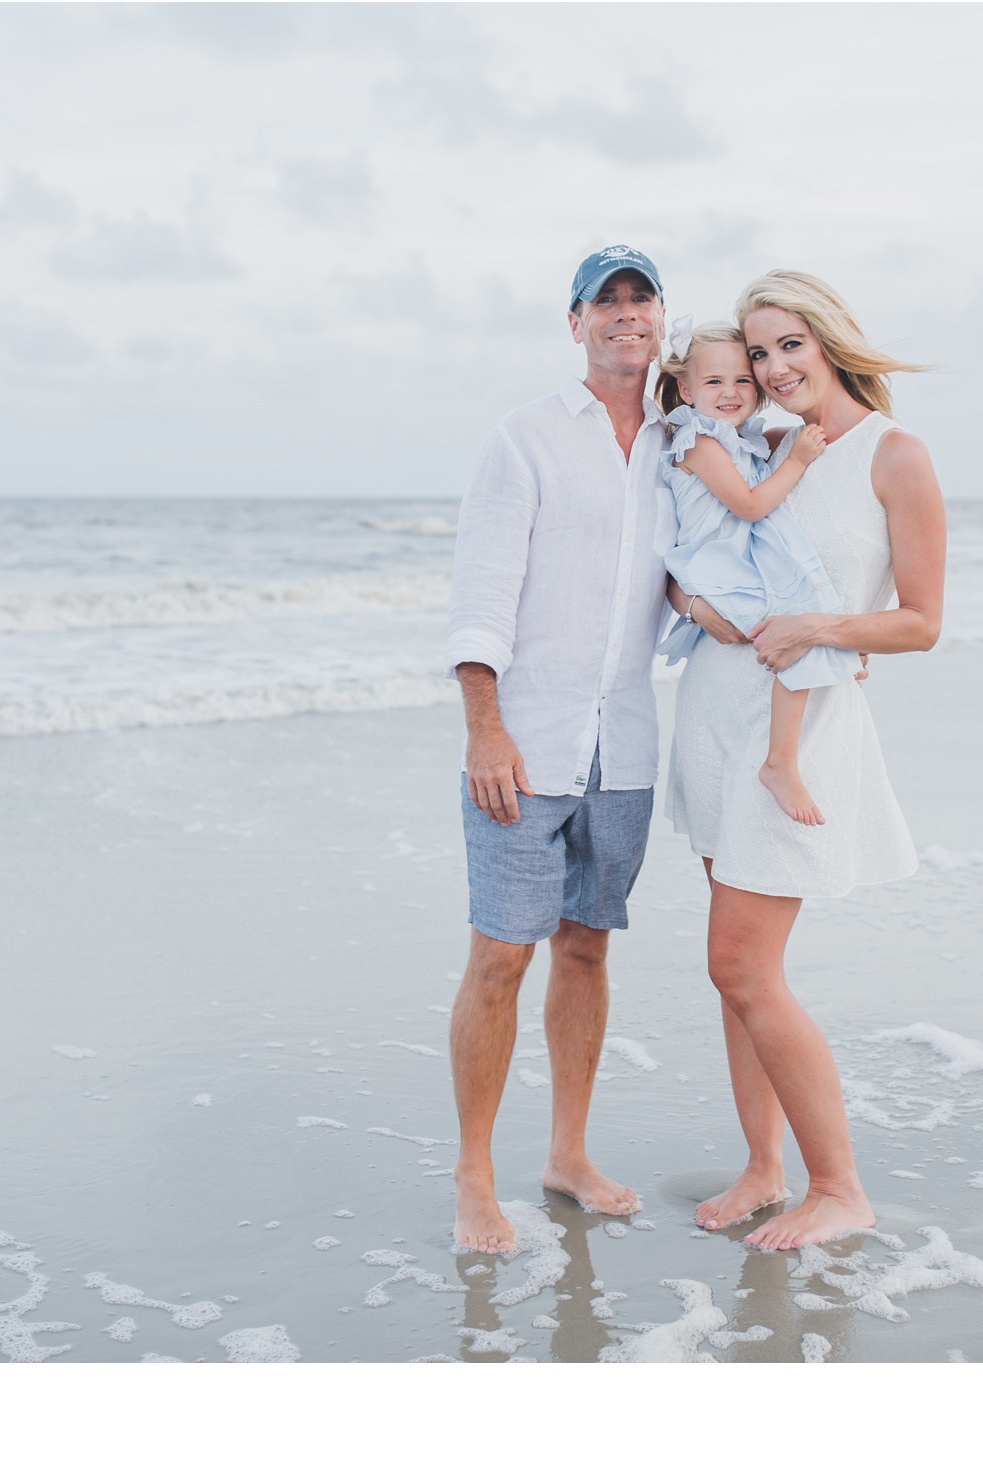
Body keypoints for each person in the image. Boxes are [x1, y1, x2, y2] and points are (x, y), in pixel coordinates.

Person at [663, 269, 945, 1251]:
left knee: (740, 963)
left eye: (789, 344)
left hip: (799, 735)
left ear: (830, 340)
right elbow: (700, 554)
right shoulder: (759, 447)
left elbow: (919, 620)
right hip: (713, 714)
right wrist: (686, 605)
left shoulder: (892, 454)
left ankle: (839, 1186)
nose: (772, 367)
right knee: (737, 975)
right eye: (757, 351)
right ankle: (762, 1168)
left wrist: (824, 626)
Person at [442, 246, 672, 1256]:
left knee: (586, 945)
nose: (625, 314)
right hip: (525, 745)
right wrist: (483, 727)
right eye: (604, 301)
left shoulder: (687, 440)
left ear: (663, 318)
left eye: (641, 297)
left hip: (622, 746)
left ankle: (567, 1155)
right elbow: (480, 594)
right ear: (574, 321)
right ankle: (473, 1181)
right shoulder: (525, 437)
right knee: (501, 956)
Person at [652, 317, 847, 825]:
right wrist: (798, 460)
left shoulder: (740, 439)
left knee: (810, 625)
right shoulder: (697, 441)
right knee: (797, 631)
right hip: (716, 570)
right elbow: (750, 506)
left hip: (736, 565)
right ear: (685, 389)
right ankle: (780, 763)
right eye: (714, 382)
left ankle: (826, 684)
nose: (731, 392)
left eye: (742, 379)